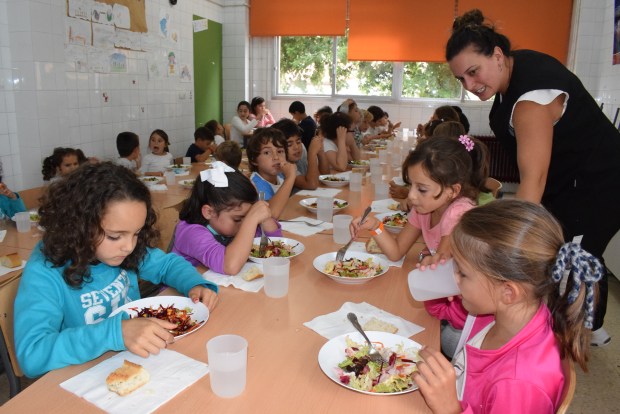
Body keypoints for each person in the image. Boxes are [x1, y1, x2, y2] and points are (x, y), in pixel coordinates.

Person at [446, 8, 620, 346]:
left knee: (570, 259)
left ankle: (565, 348)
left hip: (599, 184)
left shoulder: (530, 101)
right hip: (570, 181)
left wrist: (498, 250)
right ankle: (593, 327)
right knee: (571, 252)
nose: (470, 86)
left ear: (497, 55)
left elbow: (533, 184)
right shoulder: (512, 71)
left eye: (473, 72)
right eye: (461, 79)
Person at [13, 162, 219, 378]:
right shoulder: (45, 271)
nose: (129, 247)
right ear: (79, 225)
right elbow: (32, 355)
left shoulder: (120, 249)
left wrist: (195, 283)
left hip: (135, 360)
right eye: (114, 236)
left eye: (136, 233)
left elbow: (167, 265)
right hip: (82, 376)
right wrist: (115, 332)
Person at [415, 199, 604, 413]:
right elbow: (442, 312)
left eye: (463, 273)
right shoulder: (497, 310)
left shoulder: (519, 383)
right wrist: (433, 286)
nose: (454, 277)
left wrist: (450, 409)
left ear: (508, 292)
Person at [350, 135, 487, 267]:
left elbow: (439, 269)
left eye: (422, 189)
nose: (411, 195)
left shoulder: (458, 214)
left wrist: (431, 261)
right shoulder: (422, 209)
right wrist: (375, 226)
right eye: (410, 185)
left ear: (453, 191)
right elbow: (396, 252)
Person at [171, 161, 281, 276]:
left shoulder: (231, 222)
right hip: (186, 286)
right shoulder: (191, 232)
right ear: (209, 212)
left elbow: (275, 246)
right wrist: (251, 220)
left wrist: (263, 215)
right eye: (237, 219)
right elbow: (230, 266)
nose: (244, 225)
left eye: (248, 216)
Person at [246, 128, 296, 218]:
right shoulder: (256, 184)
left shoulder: (280, 177)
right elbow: (270, 214)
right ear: (254, 160)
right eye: (267, 152)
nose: (276, 157)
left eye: (280, 151)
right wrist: (290, 177)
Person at [271, 119, 328, 191]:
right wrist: (312, 154)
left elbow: (326, 176)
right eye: (289, 144)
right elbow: (311, 184)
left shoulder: (301, 151)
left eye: (298, 142)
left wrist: (320, 151)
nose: (296, 147)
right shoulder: (283, 165)